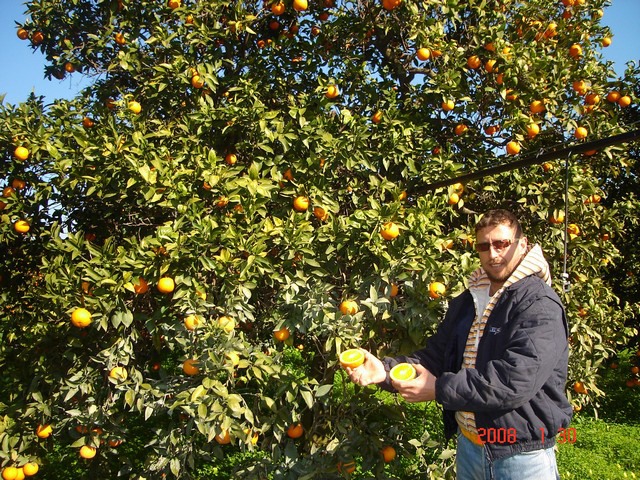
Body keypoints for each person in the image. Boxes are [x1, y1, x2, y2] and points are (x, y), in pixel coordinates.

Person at [347, 209, 572, 479]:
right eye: (484, 246)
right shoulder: (469, 300)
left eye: (501, 243)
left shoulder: (538, 304)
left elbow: (514, 380)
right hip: (469, 448)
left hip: (520, 456)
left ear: (522, 244)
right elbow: (436, 357)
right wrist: (384, 372)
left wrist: (439, 388)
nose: (493, 254)